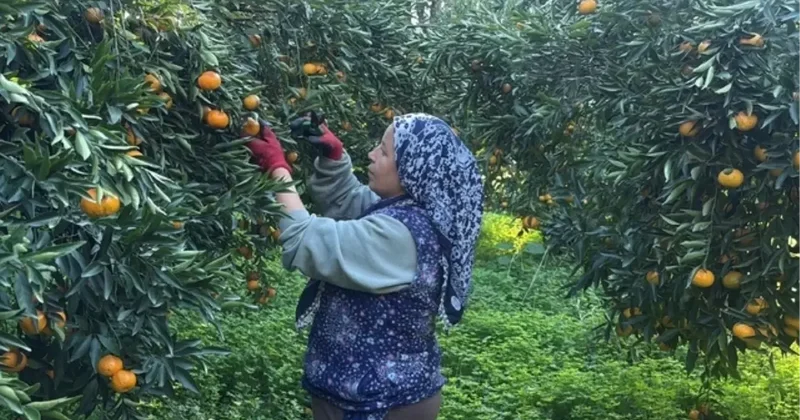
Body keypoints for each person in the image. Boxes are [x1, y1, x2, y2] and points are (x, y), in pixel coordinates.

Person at [246, 113, 484, 420]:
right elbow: (350, 201)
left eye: (384, 152)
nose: (371, 154)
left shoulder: (401, 238)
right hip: (372, 396)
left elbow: (304, 241)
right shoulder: (410, 211)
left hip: (380, 405)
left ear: (413, 170)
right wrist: (333, 158)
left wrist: (277, 170)